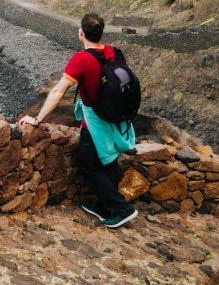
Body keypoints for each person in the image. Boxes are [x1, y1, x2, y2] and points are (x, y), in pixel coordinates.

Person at [19, 13, 138, 228]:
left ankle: (121, 209)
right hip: (116, 119)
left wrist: (37, 118)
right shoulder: (115, 53)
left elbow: (58, 92)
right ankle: (105, 207)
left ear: (81, 33)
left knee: (88, 165)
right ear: (101, 33)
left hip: (94, 123)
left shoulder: (81, 59)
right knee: (108, 160)